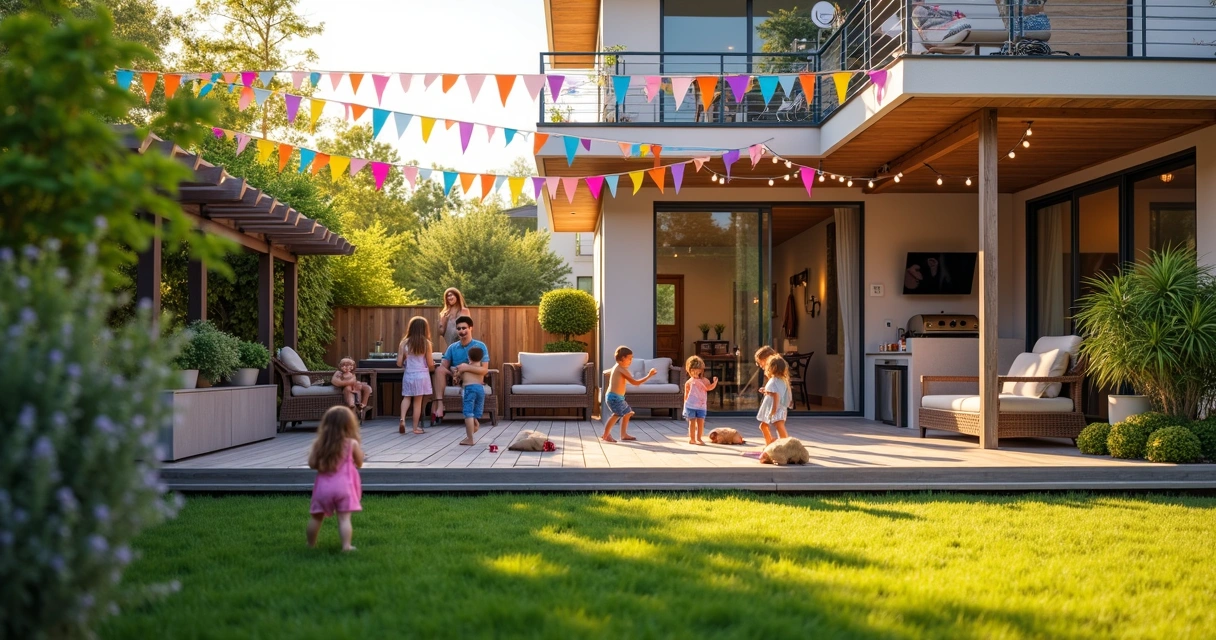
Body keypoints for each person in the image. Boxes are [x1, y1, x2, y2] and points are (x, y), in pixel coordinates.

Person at [307, 406, 363, 552]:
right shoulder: (351, 444)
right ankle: (346, 546)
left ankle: (310, 545)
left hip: (323, 489)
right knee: (344, 519)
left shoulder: (319, 444)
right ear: (349, 425)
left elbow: (312, 463)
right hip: (344, 488)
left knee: (316, 518)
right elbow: (360, 463)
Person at [440, 315, 490, 431]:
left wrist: (465, 367)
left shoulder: (480, 346)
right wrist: (454, 370)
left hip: (473, 382)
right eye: (459, 329)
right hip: (456, 378)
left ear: (471, 328)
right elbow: (443, 366)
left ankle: (473, 422)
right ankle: (439, 404)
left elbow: (484, 370)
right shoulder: (452, 347)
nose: (461, 331)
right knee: (439, 370)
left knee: (470, 400)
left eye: (464, 328)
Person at [602, 346, 656, 443]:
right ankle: (606, 435)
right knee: (617, 414)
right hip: (614, 398)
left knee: (627, 413)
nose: (631, 361)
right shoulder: (621, 369)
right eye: (630, 359)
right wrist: (649, 375)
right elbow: (635, 383)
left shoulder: (617, 367)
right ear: (623, 358)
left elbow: (609, 371)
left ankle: (623, 435)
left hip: (618, 398)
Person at [431, 289, 471, 421]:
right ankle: (440, 405)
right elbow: (441, 332)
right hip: (450, 349)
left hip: (463, 353)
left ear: (457, 296)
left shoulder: (463, 311)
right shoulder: (444, 313)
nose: (449, 297)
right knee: (439, 369)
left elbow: (467, 328)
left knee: (460, 368)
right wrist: (443, 322)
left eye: (451, 294)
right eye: (447, 295)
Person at [396, 316, 434, 435]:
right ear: (424, 329)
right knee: (417, 402)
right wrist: (433, 367)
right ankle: (415, 428)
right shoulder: (426, 343)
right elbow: (430, 363)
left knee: (406, 397)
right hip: (422, 375)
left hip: (409, 375)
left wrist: (406, 359)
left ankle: (402, 419)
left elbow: (398, 363)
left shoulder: (404, 342)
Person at [456, 345, 488, 446]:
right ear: (481, 358)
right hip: (480, 389)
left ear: (469, 357)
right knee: (476, 410)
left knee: (468, 412)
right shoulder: (480, 369)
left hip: (469, 389)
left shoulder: (464, 367)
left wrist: (457, 374)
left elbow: (457, 377)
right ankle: (475, 422)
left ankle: (470, 439)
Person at [757, 356, 792, 445]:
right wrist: (766, 390)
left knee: (779, 426)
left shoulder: (775, 381)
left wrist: (773, 411)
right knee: (764, 426)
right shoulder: (780, 380)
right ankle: (770, 444)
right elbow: (774, 392)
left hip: (776, 409)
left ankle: (786, 446)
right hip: (777, 408)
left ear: (772, 368)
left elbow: (776, 395)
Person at [683, 355, 717, 445]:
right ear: (689, 370)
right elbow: (686, 395)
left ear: (701, 370)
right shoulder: (689, 382)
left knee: (701, 422)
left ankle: (699, 438)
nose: (695, 372)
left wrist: (714, 383)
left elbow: (709, 388)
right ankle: (692, 438)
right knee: (692, 422)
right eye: (693, 370)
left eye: (697, 370)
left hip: (701, 406)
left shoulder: (704, 380)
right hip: (690, 405)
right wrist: (685, 406)